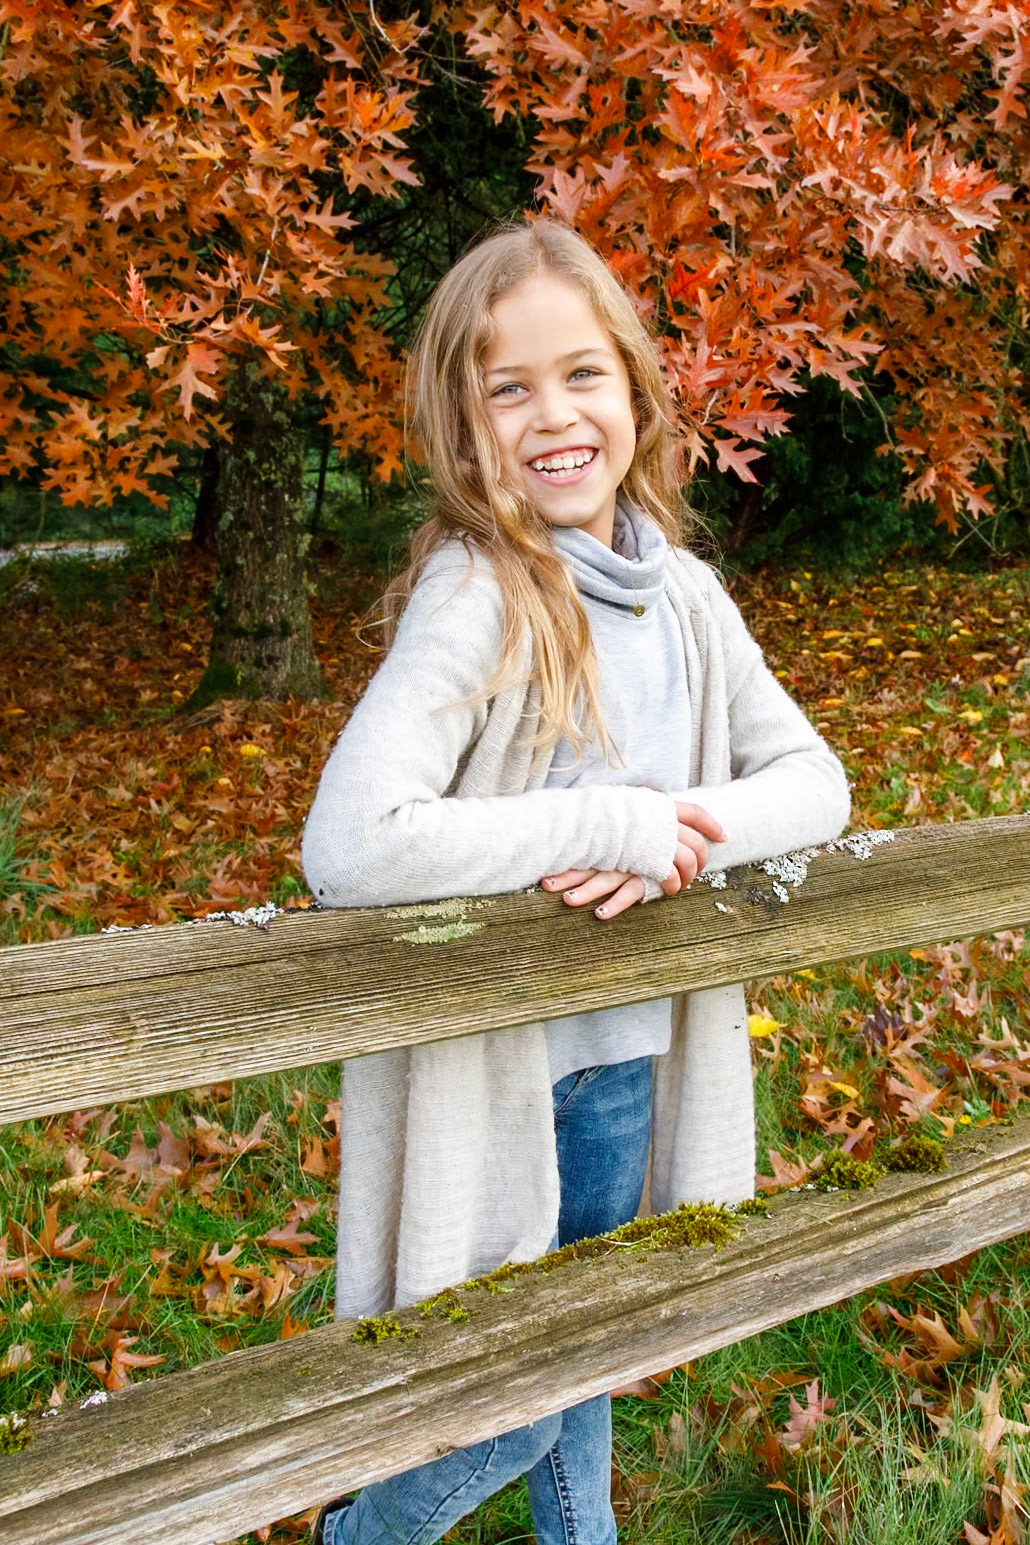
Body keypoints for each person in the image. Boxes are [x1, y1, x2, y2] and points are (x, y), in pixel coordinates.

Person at [301, 219, 850, 1544]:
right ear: (463, 425)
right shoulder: (481, 593)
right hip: (505, 1078)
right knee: (512, 1402)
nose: (553, 415)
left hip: (621, 1062)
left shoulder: (686, 596)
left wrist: (680, 827)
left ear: (635, 390)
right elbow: (351, 840)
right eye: (509, 387)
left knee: (580, 1355)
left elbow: (815, 781)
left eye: (581, 373)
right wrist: (596, 822)